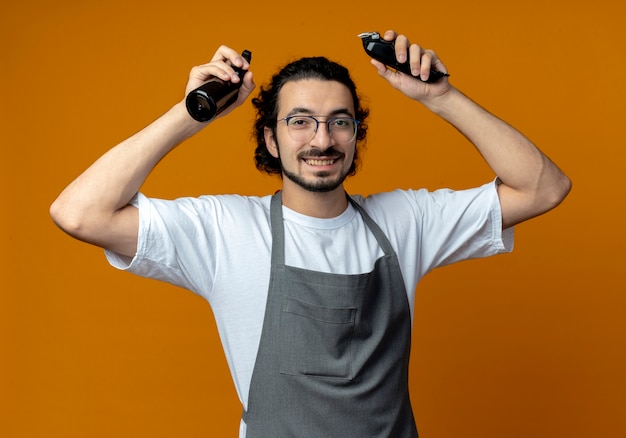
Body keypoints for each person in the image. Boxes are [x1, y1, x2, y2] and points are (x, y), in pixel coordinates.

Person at [50, 30, 571, 437]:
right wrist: (190, 114)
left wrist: (441, 97)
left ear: (355, 136)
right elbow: (79, 213)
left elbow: (544, 187)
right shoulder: (225, 230)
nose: (322, 139)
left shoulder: (405, 221)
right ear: (270, 141)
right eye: (299, 121)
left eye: (339, 121)